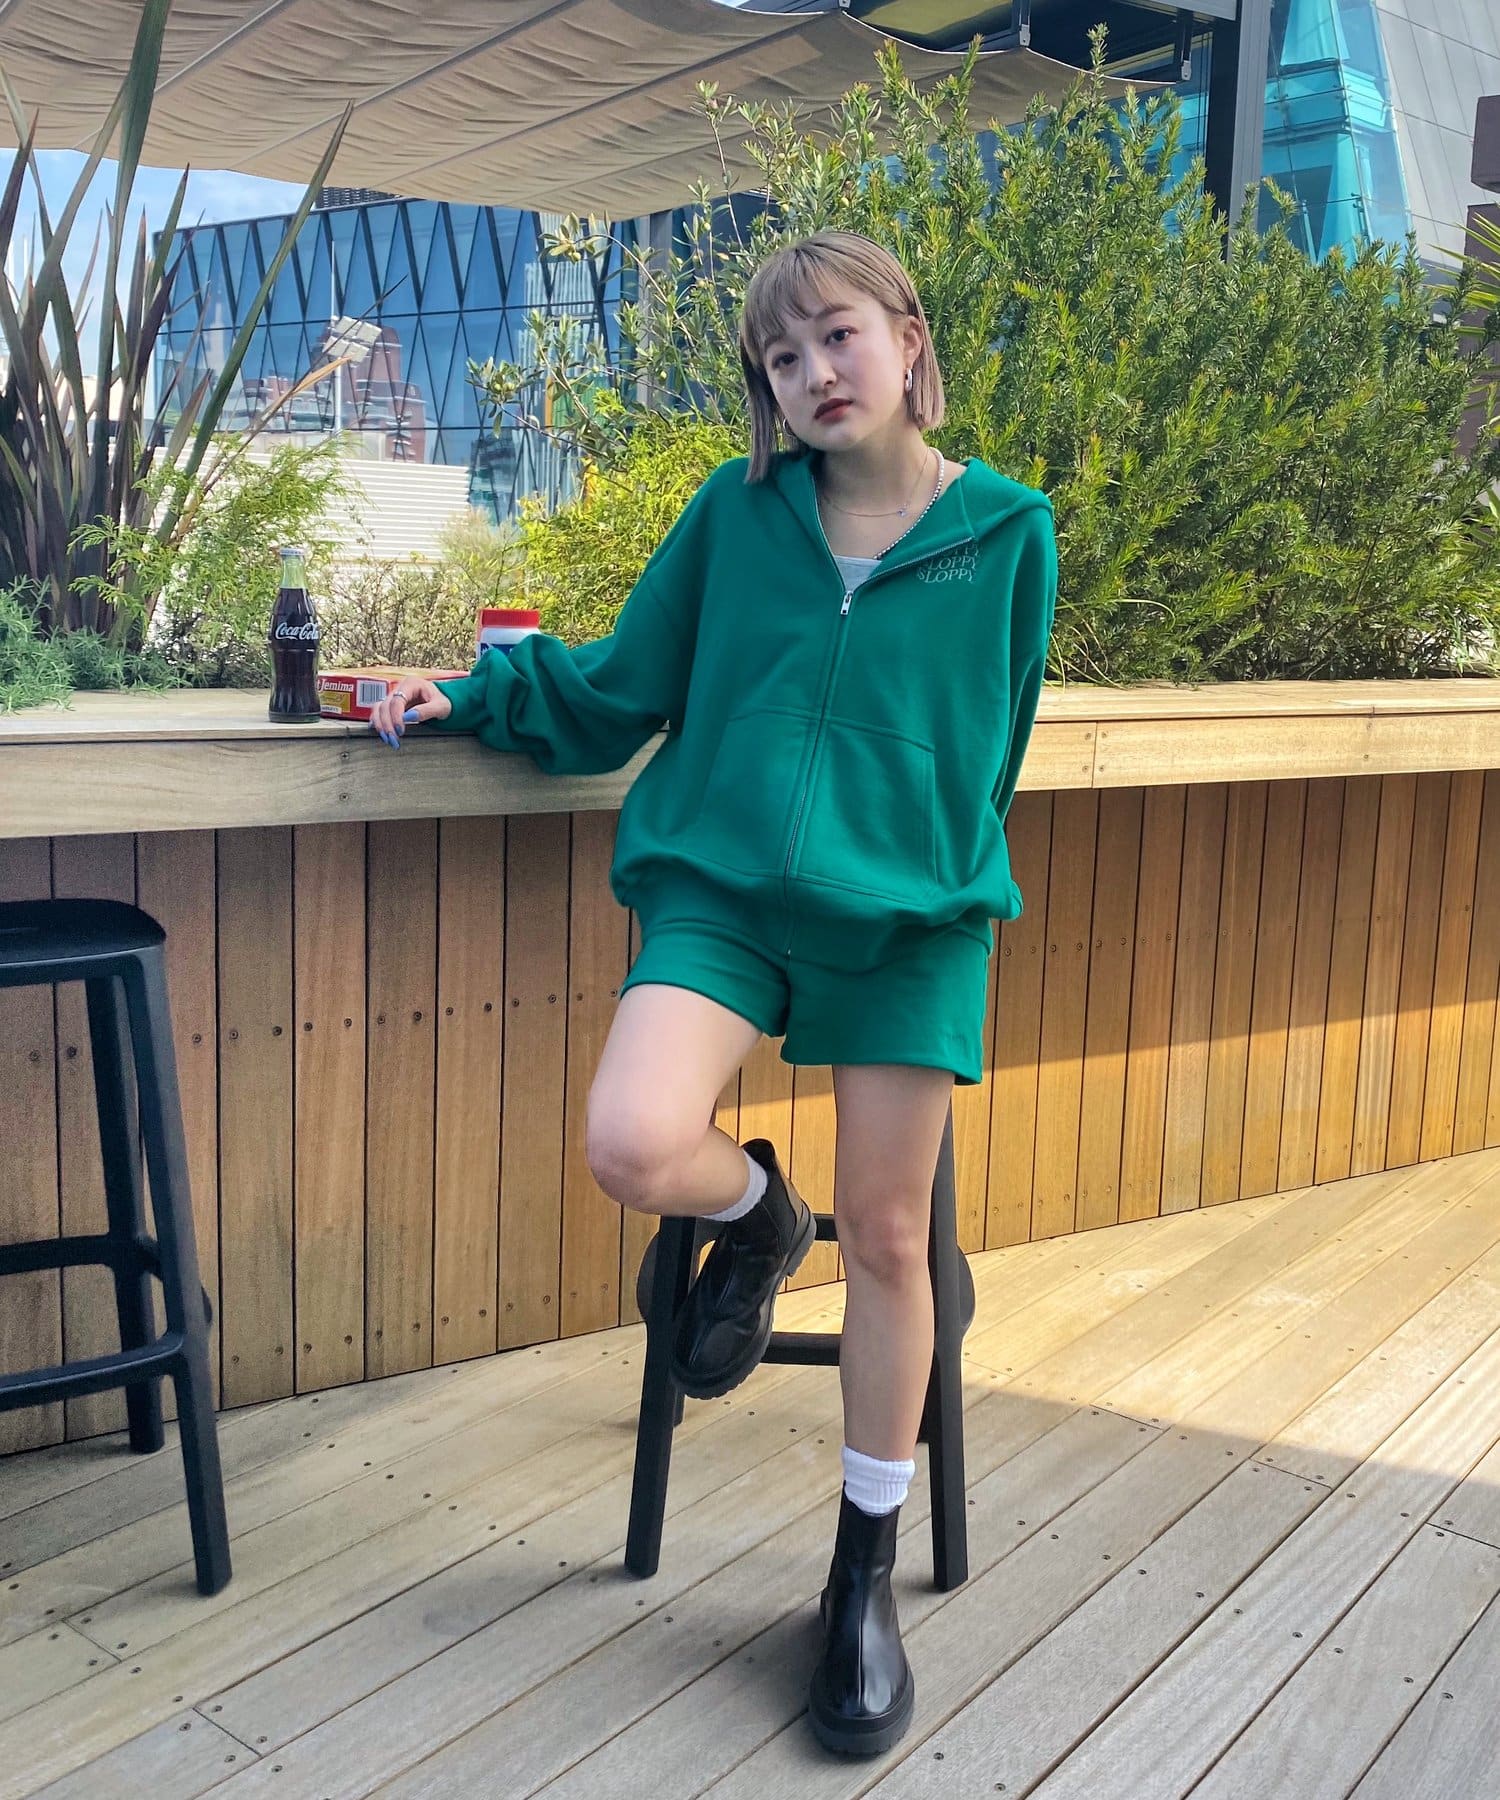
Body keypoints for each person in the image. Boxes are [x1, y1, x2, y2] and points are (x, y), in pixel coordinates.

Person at [368, 229, 1057, 1758]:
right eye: (781, 357)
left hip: (910, 914)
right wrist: (469, 693)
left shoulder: (1010, 534)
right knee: (630, 1138)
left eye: (837, 336)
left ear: (907, 337)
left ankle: (860, 1572)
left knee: (896, 1237)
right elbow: (620, 686)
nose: (814, 373)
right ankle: (757, 1215)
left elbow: (987, 748)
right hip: (726, 888)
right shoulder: (734, 517)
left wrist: (913, 868)